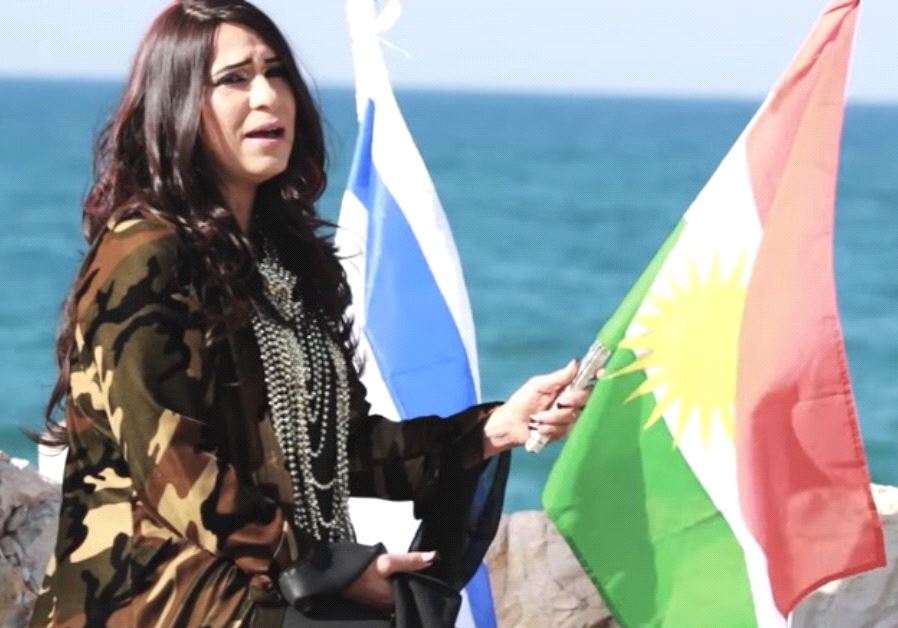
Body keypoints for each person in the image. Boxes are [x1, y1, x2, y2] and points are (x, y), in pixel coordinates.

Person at [29, 1, 591, 626]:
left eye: (277, 73)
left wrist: (494, 428)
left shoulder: (290, 263)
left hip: (278, 584)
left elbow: (338, 449)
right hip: (157, 595)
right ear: (180, 104)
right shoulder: (143, 253)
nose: (267, 97)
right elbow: (174, 466)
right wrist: (328, 571)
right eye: (234, 79)